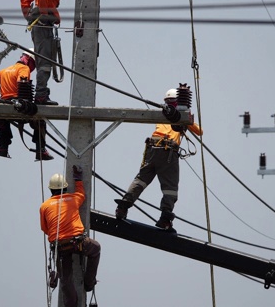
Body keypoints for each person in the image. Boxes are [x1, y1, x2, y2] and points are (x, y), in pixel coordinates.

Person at [114, 88, 203, 232]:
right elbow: (200, 132)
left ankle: (123, 207)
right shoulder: (180, 115)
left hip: (152, 147)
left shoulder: (162, 112)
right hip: (168, 151)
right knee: (170, 188)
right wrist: (188, 119)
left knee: (141, 179)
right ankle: (165, 219)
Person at [40, 166, 101, 307]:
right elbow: (81, 193)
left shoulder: (44, 206)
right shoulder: (73, 199)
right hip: (77, 242)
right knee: (95, 248)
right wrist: (78, 178)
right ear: (65, 188)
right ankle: (89, 283)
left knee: (66, 279)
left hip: (59, 246)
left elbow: (45, 228)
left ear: (51, 190)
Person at [20, 0, 74, 106]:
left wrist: (29, 17)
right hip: (43, 27)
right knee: (44, 63)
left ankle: (41, 93)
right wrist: (46, 14)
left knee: (42, 61)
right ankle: (41, 96)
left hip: (38, 27)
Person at [0, 49, 53, 161]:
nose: (32, 69)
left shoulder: (5, 70)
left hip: (4, 105)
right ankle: (40, 150)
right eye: (33, 65)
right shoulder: (24, 68)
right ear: (29, 60)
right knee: (40, 120)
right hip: (19, 105)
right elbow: (22, 82)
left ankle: (3, 148)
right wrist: (25, 101)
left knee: (4, 124)